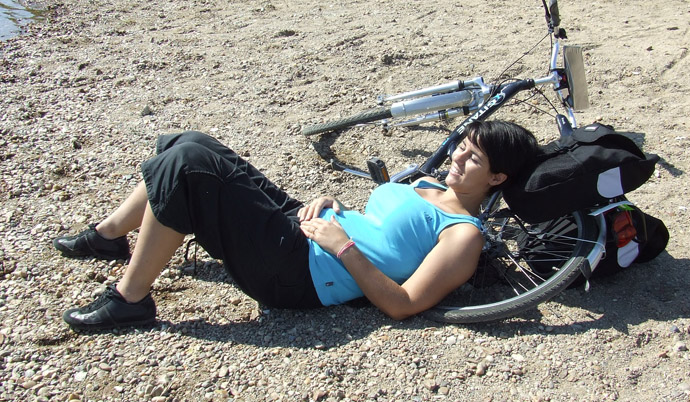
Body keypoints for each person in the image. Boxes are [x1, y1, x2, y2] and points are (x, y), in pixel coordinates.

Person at [53, 120, 539, 330]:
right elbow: (383, 224)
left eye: (474, 159)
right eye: (463, 145)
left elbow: (404, 304)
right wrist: (333, 205)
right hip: (305, 227)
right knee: (189, 141)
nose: (458, 157)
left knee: (188, 167)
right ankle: (109, 236)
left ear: (497, 177)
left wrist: (344, 245)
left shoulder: (464, 234)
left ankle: (130, 301)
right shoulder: (431, 184)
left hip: (299, 272)